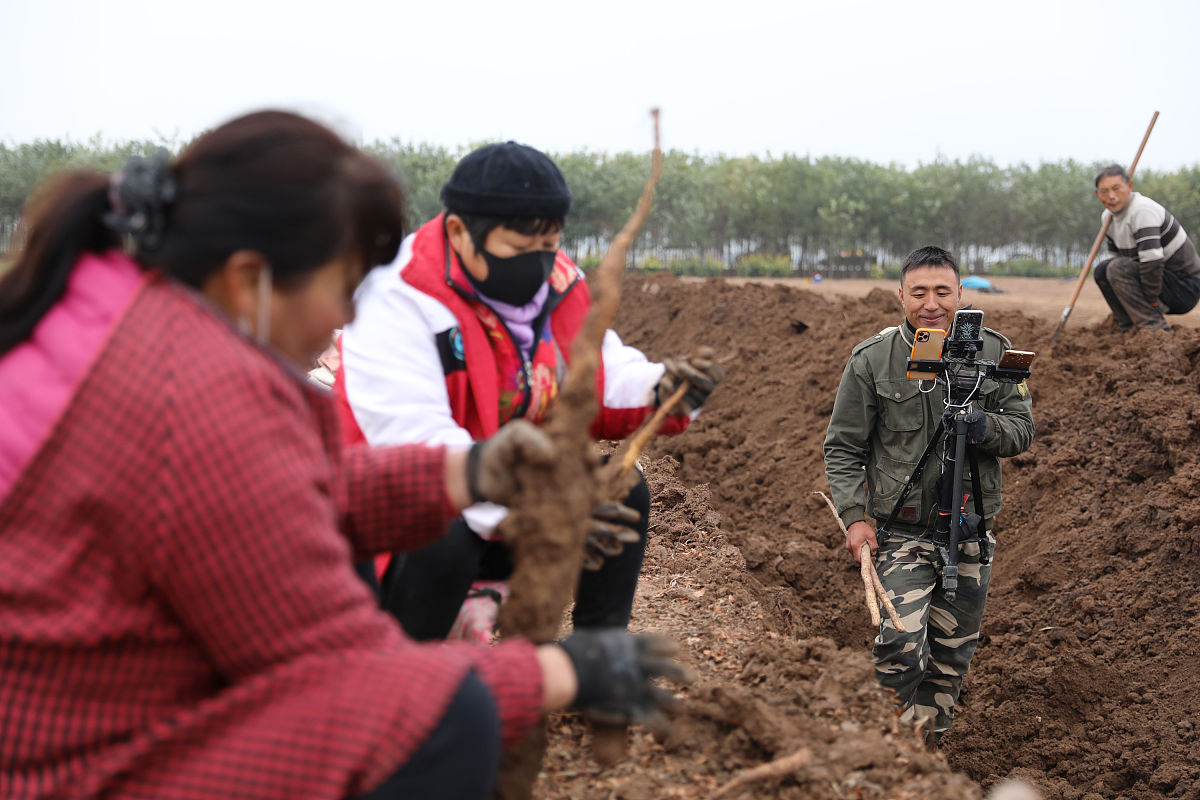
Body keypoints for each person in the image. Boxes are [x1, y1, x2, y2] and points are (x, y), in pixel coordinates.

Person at [0, 112, 685, 800]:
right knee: (447, 717)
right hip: (81, 763)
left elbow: (287, 491)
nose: (346, 319)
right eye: (338, 289)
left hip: (75, 704)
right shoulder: (197, 393)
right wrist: (558, 672)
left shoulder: (111, 311)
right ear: (249, 279)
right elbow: (340, 674)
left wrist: (470, 469)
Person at [332, 141, 723, 641]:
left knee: (621, 490)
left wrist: (663, 390)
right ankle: (405, 676)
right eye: (517, 251)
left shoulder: (556, 285)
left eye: (549, 246)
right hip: (395, 520)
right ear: (459, 232)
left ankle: (596, 664)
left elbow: (596, 375)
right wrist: (543, 507)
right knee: (444, 524)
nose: (536, 265)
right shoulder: (400, 296)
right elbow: (420, 448)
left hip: (513, 496)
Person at [823, 245, 1034, 742]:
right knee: (899, 647)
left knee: (950, 660)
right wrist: (856, 517)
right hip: (901, 532)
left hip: (969, 535)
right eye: (918, 292)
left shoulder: (993, 354)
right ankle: (881, 754)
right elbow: (842, 447)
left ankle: (923, 763)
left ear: (962, 293)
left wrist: (983, 426)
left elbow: (1022, 430)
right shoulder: (874, 360)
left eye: (943, 291)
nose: (931, 303)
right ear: (901, 295)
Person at [1092, 164, 1200, 331]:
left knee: (1117, 268)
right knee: (1102, 270)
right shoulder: (1107, 218)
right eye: (1104, 191)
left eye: (1116, 188)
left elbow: (1152, 261)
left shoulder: (1142, 211)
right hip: (1156, 280)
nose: (1111, 196)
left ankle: (1155, 330)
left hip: (1183, 286)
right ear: (1097, 195)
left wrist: (1152, 300)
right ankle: (1128, 327)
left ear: (1129, 187)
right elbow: (1114, 262)